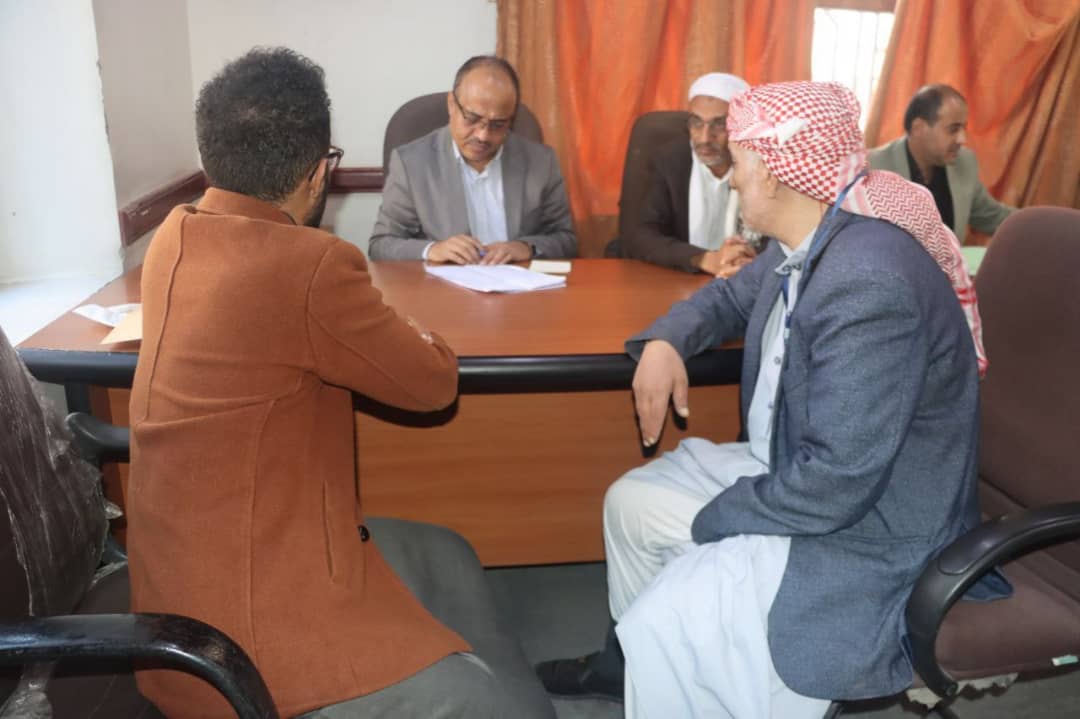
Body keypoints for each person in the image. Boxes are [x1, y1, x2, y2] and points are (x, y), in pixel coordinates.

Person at [540, 81, 1003, 717]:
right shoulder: (814, 234)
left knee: (664, 624)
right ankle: (630, 669)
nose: (731, 178)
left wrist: (718, 518)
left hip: (867, 524)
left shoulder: (867, 278)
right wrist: (665, 343)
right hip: (801, 469)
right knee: (632, 504)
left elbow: (837, 482)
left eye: (740, 161)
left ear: (777, 172)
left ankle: (680, 662)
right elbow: (728, 297)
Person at [127, 47, 554, 719]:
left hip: (178, 589)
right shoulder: (310, 264)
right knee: (497, 707)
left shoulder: (172, 236)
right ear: (318, 172)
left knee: (447, 551)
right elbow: (433, 382)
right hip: (235, 641)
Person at [369, 55, 576, 264]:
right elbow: (381, 245)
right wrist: (432, 250)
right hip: (444, 284)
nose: (483, 135)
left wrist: (526, 247)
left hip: (518, 281)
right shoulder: (412, 163)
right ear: (452, 104)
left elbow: (566, 240)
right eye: (472, 119)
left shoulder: (541, 162)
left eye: (498, 124)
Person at [621, 72, 758, 277]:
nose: (704, 138)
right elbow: (640, 236)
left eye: (719, 124)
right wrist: (703, 259)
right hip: (681, 278)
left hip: (745, 277)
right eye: (696, 122)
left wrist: (746, 259)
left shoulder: (761, 167)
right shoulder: (670, 161)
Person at [869, 84, 1014, 244]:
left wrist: (1033, 222)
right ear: (918, 128)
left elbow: (990, 216)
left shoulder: (964, 163)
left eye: (963, 129)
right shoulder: (872, 167)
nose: (962, 139)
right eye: (953, 129)